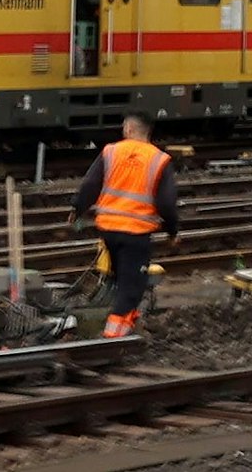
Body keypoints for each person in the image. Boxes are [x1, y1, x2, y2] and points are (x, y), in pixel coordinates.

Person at [70, 113, 180, 338]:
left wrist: (77, 209)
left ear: (129, 129)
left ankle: (128, 325)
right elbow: (167, 203)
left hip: (108, 230)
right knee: (132, 288)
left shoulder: (111, 151)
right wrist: (172, 232)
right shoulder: (159, 160)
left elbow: (91, 184)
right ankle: (112, 339)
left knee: (123, 279)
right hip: (136, 233)